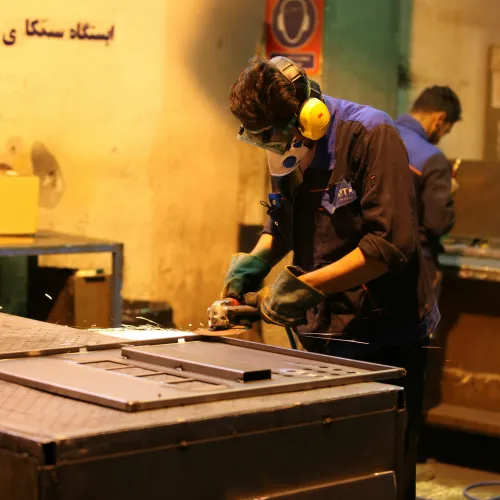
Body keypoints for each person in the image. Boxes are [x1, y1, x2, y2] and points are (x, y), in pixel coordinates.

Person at [217, 56, 440, 500]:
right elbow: (281, 223)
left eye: (275, 136)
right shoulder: (286, 150)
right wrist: (254, 264)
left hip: (383, 341)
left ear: (308, 117)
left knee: (382, 477)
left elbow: (389, 246)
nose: (272, 148)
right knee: (324, 477)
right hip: (321, 339)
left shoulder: (370, 135)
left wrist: (307, 286)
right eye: (260, 140)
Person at [395, 86, 461, 298]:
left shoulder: (375, 136)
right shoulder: (431, 158)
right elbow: (437, 222)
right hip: (415, 267)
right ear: (439, 119)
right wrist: (448, 192)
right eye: (445, 131)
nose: (440, 137)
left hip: (367, 263)